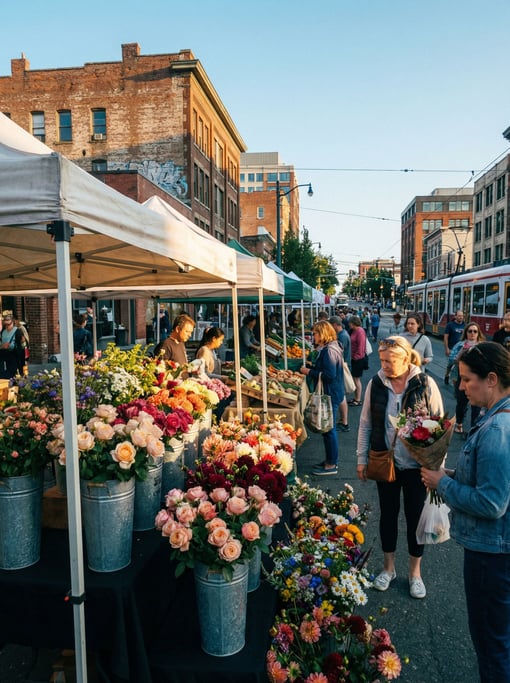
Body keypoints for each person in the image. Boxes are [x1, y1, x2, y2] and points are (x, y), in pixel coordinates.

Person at [421, 342, 510, 682]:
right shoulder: (498, 419)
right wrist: (451, 477)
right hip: (496, 552)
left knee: (492, 645)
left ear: (491, 379)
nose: (460, 387)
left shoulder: (499, 430)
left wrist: (442, 484)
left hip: (492, 556)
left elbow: (491, 503)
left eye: (466, 379)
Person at [356, 336, 444, 599]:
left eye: (390, 361)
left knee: (416, 520)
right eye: (382, 360)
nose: (384, 366)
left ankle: (415, 573)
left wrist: (438, 469)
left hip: (418, 468)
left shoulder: (425, 383)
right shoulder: (376, 383)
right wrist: (362, 459)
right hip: (386, 462)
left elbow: (438, 427)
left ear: (406, 359)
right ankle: (388, 568)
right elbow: (365, 424)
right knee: (388, 515)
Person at [299, 320, 344, 475]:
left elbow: (329, 375)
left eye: (315, 333)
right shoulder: (331, 347)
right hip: (333, 391)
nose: (314, 336)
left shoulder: (329, 350)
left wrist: (309, 372)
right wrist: (313, 367)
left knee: (329, 429)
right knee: (327, 429)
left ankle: (332, 464)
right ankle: (330, 460)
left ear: (322, 333)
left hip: (330, 392)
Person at [446, 322, 486, 434]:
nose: (472, 333)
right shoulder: (460, 345)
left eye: (475, 331)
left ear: (478, 333)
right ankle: (459, 424)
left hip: (477, 379)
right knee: (461, 402)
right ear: (466, 333)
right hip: (462, 378)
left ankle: (474, 427)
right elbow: (452, 360)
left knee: (476, 405)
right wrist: (462, 352)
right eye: (470, 331)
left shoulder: (482, 346)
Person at [329, 315, 350, 432]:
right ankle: (343, 421)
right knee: (342, 396)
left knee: (341, 396)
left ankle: (344, 422)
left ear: (335, 325)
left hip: (343, 366)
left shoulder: (342, 336)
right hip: (343, 365)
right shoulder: (343, 334)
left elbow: (339, 355)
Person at [347, 315, 367, 406]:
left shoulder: (360, 331)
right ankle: (356, 397)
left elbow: (361, 346)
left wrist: (356, 357)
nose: (349, 325)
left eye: (350, 323)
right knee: (355, 379)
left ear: (353, 323)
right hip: (355, 358)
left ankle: (358, 399)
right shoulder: (355, 331)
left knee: (356, 379)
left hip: (358, 359)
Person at [0, 311, 25, 379]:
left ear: (12, 320)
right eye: (4, 320)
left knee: (15, 375)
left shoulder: (18, 331)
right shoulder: (3, 332)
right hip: (5, 356)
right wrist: (2, 346)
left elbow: (23, 343)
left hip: (15, 356)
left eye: (8, 320)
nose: (6, 322)